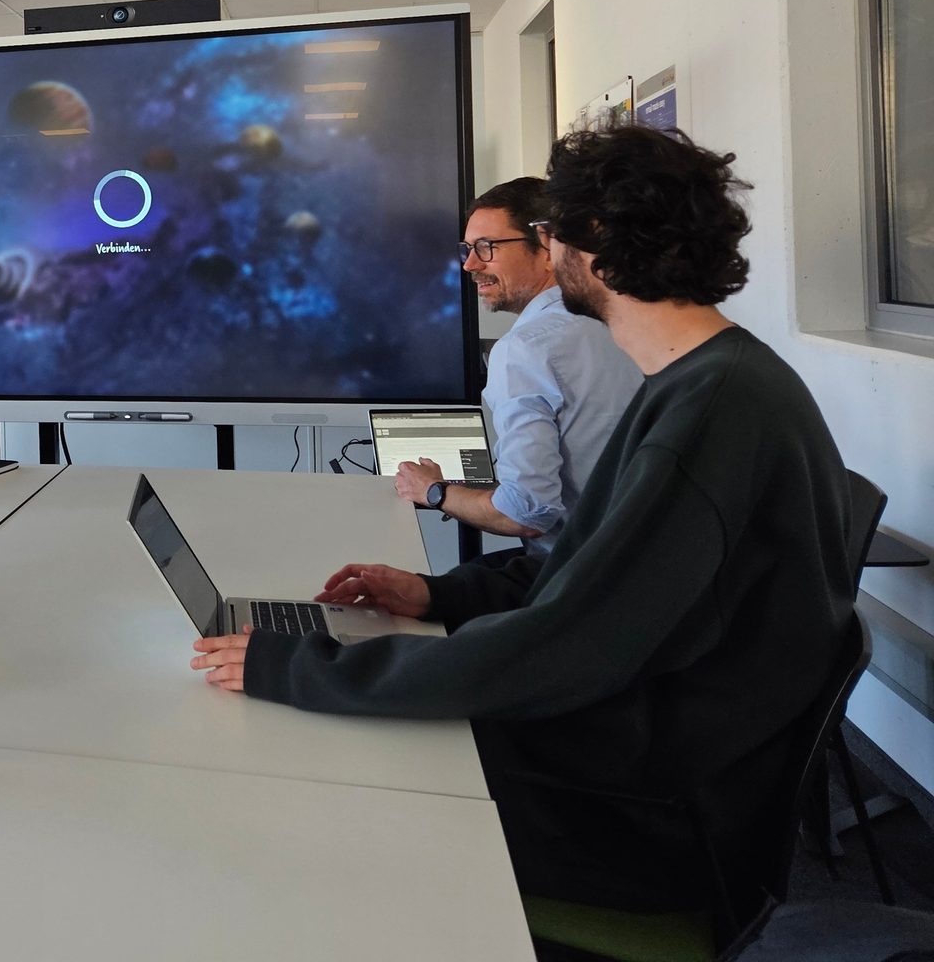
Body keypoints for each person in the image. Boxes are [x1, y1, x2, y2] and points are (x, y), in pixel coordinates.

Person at [191, 126, 857, 913]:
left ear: (595, 241)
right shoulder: (708, 381)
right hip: (654, 756)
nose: (548, 247)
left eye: (552, 228)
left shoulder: (708, 417)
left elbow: (565, 647)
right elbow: (582, 569)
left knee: (331, 778)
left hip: (654, 817)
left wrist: (303, 669)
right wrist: (437, 595)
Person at [392, 176, 640, 556]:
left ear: (547, 248)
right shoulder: (627, 321)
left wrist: (434, 491)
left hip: (570, 571)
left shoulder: (524, 349)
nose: (470, 265)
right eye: (467, 249)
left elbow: (524, 514)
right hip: (638, 556)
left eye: (487, 247)